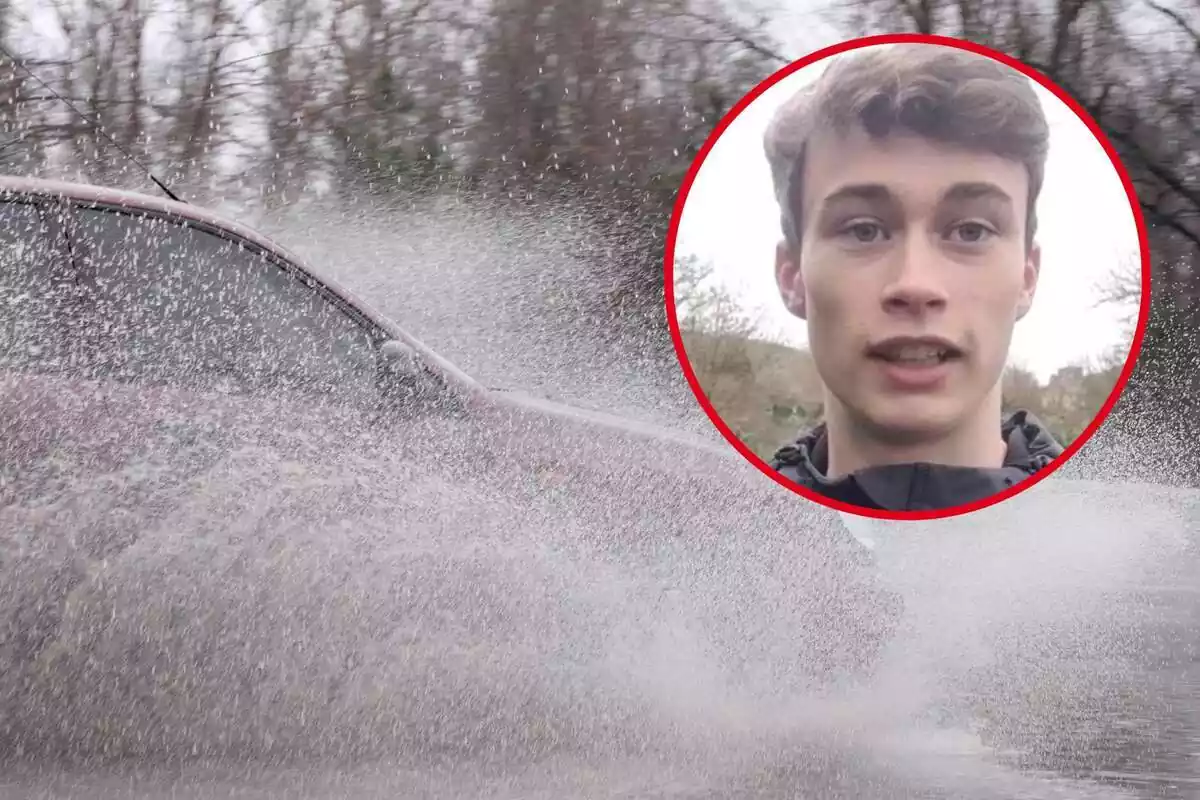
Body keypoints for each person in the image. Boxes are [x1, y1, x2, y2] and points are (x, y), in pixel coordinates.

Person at [763, 43, 1064, 512]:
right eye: (864, 230)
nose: (915, 284)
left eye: (970, 231)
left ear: (1028, 277)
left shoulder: (1145, 561)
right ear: (792, 277)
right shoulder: (702, 552)